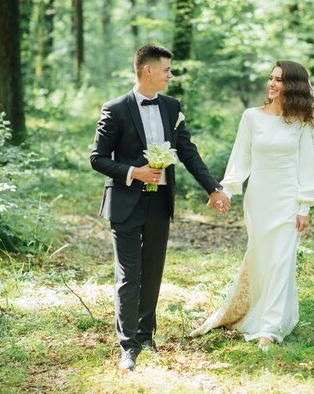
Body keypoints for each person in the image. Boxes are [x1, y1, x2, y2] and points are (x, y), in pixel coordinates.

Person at [90, 44, 231, 371]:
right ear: (148, 70)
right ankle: (128, 347)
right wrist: (132, 172)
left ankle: (146, 334)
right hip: (125, 202)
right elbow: (97, 159)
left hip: (159, 201)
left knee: (152, 271)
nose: (170, 75)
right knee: (129, 275)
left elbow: (188, 152)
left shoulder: (171, 107)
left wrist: (213, 187)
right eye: (166, 69)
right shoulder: (115, 109)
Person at [190, 60, 314, 349]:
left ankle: (270, 328)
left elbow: (308, 166)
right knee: (263, 258)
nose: (272, 84)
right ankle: (259, 312)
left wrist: (305, 206)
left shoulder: (302, 122)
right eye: (271, 78)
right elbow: (241, 158)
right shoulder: (252, 117)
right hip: (259, 198)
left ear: (294, 86)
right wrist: (226, 191)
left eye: (280, 80)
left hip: (288, 197)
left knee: (282, 260)